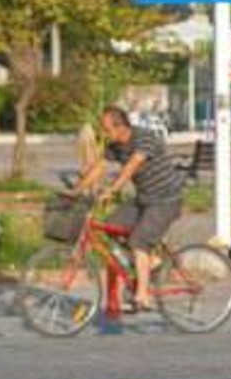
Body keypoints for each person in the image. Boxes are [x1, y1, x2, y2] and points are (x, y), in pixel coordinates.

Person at [73, 105, 183, 311]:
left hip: (166, 199)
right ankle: (151, 262)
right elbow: (99, 167)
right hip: (144, 198)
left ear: (120, 127)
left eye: (106, 129)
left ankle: (142, 296)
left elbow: (131, 166)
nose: (103, 133)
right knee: (111, 226)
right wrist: (76, 190)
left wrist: (112, 190)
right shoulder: (115, 145)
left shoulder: (144, 138)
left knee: (138, 241)